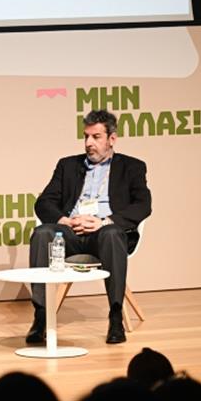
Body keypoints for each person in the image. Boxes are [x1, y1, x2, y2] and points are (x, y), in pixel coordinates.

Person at [26, 110, 151, 345]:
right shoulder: (67, 165)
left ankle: (115, 317)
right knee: (42, 234)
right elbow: (43, 202)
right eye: (86, 137)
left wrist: (105, 221)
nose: (88, 143)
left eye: (96, 137)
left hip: (104, 233)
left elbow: (143, 205)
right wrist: (64, 220)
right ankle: (41, 316)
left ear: (112, 139)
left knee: (112, 234)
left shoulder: (132, 167)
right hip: (70, 233)